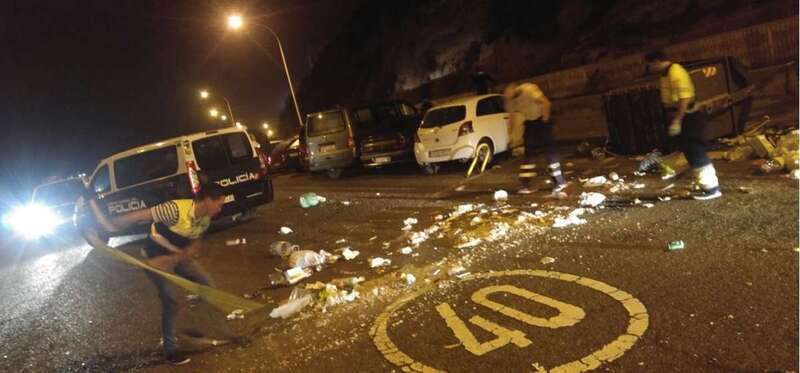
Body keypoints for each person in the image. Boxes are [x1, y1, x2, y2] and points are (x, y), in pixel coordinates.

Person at [100, 183, 228, 365]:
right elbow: (139, 215)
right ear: (207, 200)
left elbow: (194, 243)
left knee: (208, 286)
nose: (220, 209)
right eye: (219, 204)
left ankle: (193, 328)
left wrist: (179, 257)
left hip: (175, 256)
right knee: (171, 301)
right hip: (154, 258)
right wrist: (109, 224)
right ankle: (171, 351)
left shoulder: (205, 219)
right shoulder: (174, 209)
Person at [644, 50, 721, 200]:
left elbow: (685, 98)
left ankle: (711, 188)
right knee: (689, 151)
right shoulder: (667, 74)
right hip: (683, 116)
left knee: (695, 151)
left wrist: (678, 120)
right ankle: (704, 184)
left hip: (688, 117)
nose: (649, 69)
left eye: (649, 65)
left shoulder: (675, 72)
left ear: (656, 61)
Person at [503, 82, 567, 196]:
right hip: (530, 124)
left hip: (541, 121)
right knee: (529, 155)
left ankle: (559, 182)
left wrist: (545, 121)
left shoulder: (528, 90)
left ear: (514, 89)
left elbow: (546, 103)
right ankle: (525, 185)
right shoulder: (512, 100)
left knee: (550, 153)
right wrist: (511, 135)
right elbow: (511, 115)